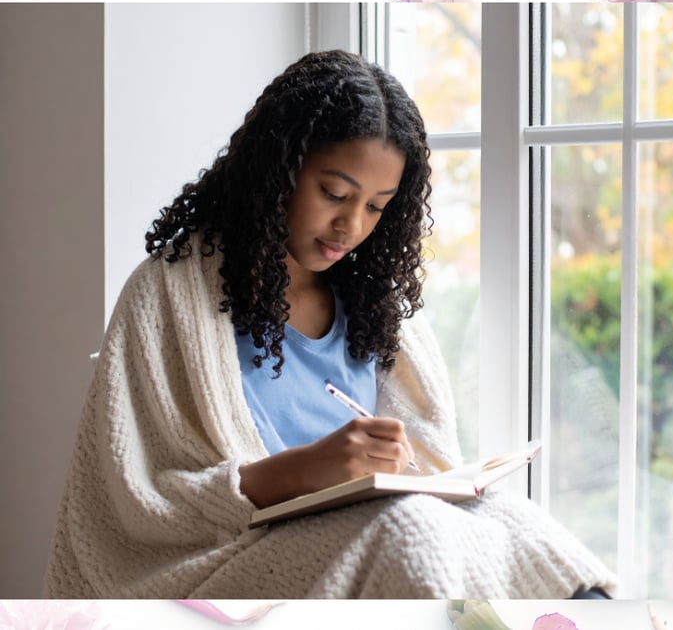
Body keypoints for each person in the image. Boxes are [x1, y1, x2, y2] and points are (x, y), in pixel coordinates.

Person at [43, 50, 615, 599]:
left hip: (375, 528)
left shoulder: (380, 310)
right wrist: (309, 469)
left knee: (514, 522)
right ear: (277, 170)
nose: (350, 225)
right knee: (405, 529)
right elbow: (137, 501)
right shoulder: (169, 295)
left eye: (376, 206)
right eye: (334, 193)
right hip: (229, 555)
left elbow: (428, 464)